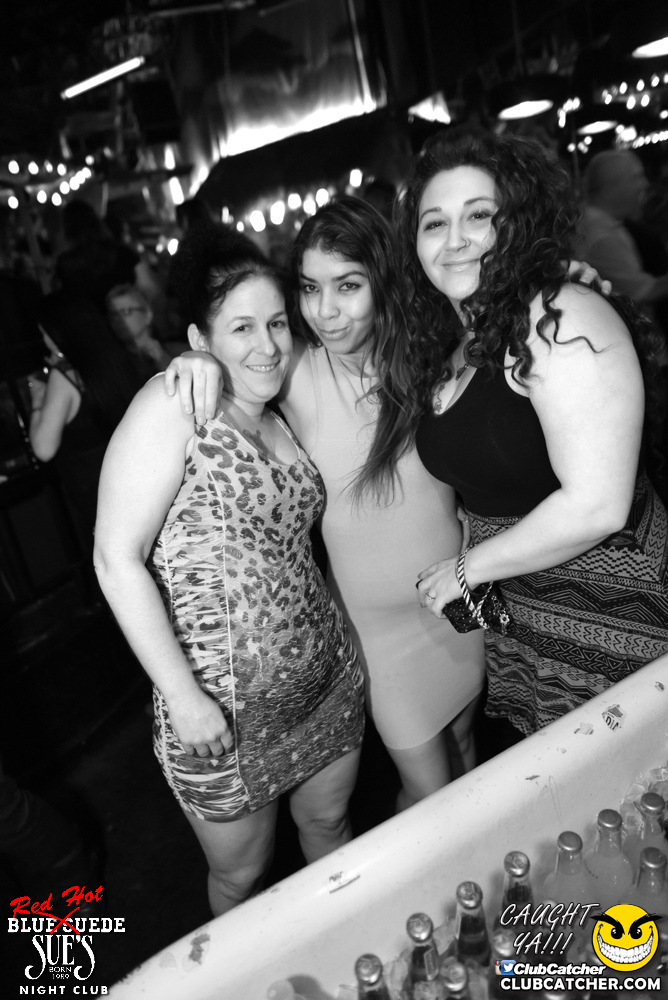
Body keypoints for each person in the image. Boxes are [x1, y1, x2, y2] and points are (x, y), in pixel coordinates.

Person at [164, 198, 487, 813]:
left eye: (348, 285)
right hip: (378, 635)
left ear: (382, 282)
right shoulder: (293, 371)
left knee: (467, 747)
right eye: (310, 288)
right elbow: (236, 355)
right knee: (435, 798)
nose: (325, 310)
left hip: (458, 601)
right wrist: (195, 358)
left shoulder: (429, 356)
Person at [357, 127, 668, 737]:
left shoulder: (559, 316)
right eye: (434, 223)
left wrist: (466, 569)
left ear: (518, 223)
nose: (455, 240)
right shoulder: (458, 342)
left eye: (479, 215)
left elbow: (599, 504)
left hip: (616, 612)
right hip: (528, 616)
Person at [93, 227, 364, 916]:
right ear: (199, 338)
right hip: (223, 719)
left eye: (276, 323)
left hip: (327, 685)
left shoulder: (279, 410)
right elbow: (115, 559)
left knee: (330, 828)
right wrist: (183, 698)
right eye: (241, 327)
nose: (267, 344)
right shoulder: (174, 405)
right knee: (242, 880)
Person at [29, 295, 144, 557]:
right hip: (135, 481)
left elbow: (43, 449)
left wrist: (37, 400)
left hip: (97, 494)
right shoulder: (117, 359)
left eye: (44, 332)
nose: (43, 339)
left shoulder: (65, 376)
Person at [574, 150, 668, 308]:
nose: (645, 184)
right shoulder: (602, 235)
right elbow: (644, 292)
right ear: (613, 185)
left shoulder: (594, 221)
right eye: (636, 177)